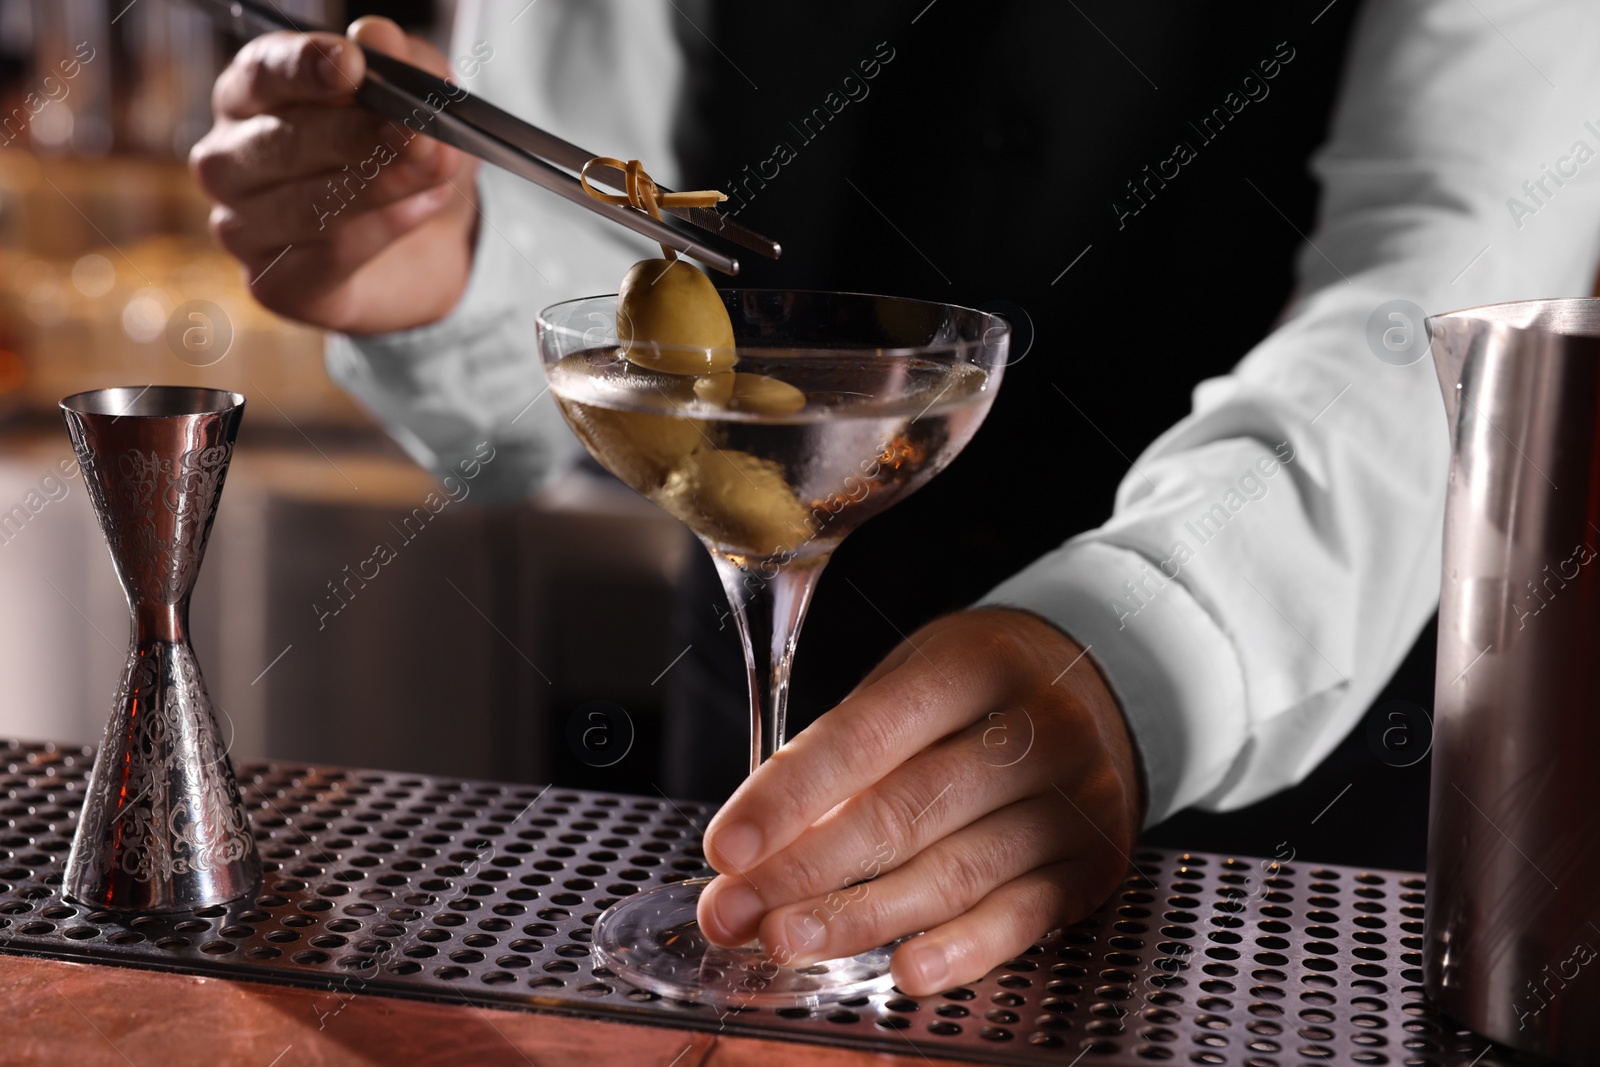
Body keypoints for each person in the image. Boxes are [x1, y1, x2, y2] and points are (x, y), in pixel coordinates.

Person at [190, 0, 1600, 995]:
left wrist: (1154, 641)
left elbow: (1441, 290)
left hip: (1289, 858)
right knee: (747, 969)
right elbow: (568, 271)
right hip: (755, 794)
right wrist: (437, 259)